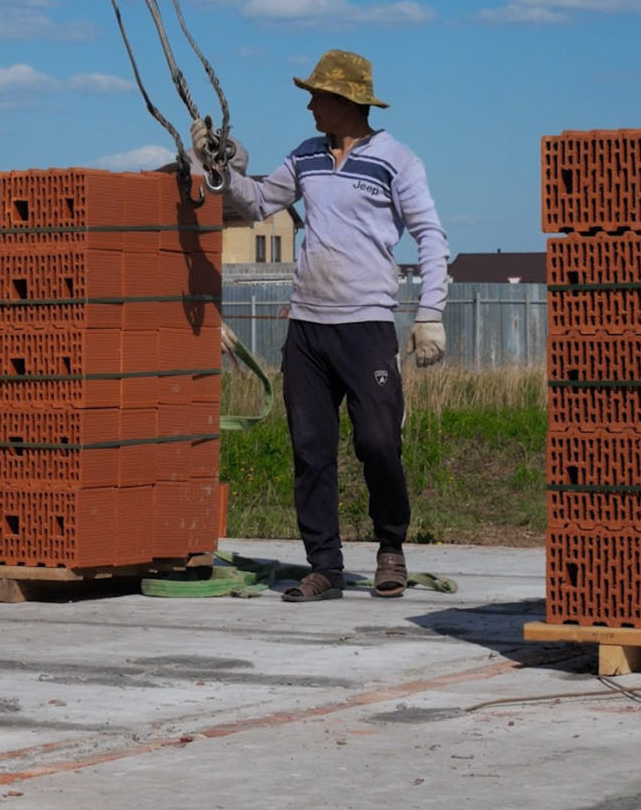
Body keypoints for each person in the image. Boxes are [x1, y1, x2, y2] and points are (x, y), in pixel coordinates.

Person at [191, 48, 450, 603]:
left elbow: (431, 235)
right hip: (308, 326)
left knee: (379, 443)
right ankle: (324, 567)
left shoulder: (396, 161)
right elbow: (259, 202)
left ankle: (390, 549)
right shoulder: (306, 156)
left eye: (317, 96)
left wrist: (430, 314)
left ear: (346, 101)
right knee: (310, 450)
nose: (309, 105)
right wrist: (222, 168)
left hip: (366, 326)